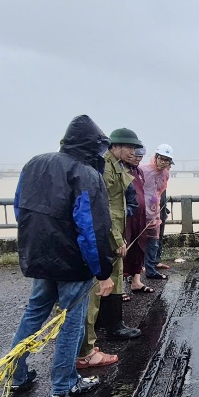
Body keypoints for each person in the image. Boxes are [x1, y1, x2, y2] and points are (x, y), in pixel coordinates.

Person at [9, 114, 114, 397]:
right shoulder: (85, 174)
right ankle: (64, 382)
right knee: (71, 321)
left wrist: (36, 242)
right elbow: (92, 229)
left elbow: (20, 208)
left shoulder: (34, 164)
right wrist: (103, 271)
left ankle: (16, 375)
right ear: (93, 146)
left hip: (39, 255)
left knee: (34, 314)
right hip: (72, 261)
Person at [77, 128, 144, 369]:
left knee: (114, 278)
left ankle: (113, 324)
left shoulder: (116, 165)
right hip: (107, 235)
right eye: (130, 148)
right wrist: (117, 239)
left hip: (114, 232)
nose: (134, 152)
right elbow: (103, 207)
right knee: (98, 287)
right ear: (115, 146)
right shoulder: (104, 167)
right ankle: (87, 344)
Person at [123, 146, 153, 300]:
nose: (137, 159)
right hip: (126, 216)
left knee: (139, 246)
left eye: (140, 157)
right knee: (124, 248)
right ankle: (119, 287)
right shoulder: (121, 170)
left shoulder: (139, 171)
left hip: (140, 215)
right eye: (135, 156)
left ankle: (136, 281)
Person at [141, 144, 173, 280]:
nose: (163, 162)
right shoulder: (141, 169)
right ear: (156, 157)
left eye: (167, 160)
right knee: (138, 242)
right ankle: (133, 273)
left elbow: (159, 192)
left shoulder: (165, 173)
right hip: (140, 211)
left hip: (155, 212)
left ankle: (151, 269)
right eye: (161, 159)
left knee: (154, 241)